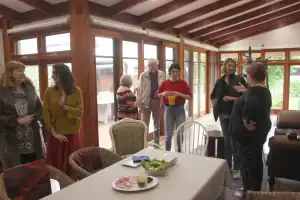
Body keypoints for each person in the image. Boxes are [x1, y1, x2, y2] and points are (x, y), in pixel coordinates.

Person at [230, 62, 272, 198]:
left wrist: (248, 122)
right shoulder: (263, 90)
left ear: (252, 76)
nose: (246, 77)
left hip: (246, 138)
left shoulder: (254, 93)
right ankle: (253, 191)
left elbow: (250, 116)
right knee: (254, 164)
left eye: (247, 75)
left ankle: (249, 193)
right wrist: (245, 91)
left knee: (247, 166)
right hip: (255, 137)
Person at [0, 61, 44, 167]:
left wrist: (33, 118)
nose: (22, 73)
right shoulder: (2, 91)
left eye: (23, 71)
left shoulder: (29, 87)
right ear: (10, 73)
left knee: (35, 170)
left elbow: (40, 108)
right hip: (12, 140)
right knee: (17, 173)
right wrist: (16, 121)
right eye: (19, 71)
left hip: (33, 137)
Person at [43, 63, 83, 177]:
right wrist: (54, 133)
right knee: (56, 168)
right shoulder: (49, 92)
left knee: (73, 166)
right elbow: (46, 114)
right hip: (56, 136)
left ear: (63, 74)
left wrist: (65, 107)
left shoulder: (76, 91)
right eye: (52, 73)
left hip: (72, 134)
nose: (52, 76)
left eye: (55, 73)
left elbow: (80, 112)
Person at [210, 58, 247, 174]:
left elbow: (246, 96)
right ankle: (228, 166)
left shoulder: (239, 79)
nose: (231, 68)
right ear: (225, 66)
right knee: (227, 140)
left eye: (233, 66)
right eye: (229, 65)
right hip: (223, 114)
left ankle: (237, 167)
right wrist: (215, 104)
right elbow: (213, 96)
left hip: (235, 114)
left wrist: (231, 98)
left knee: (234, 140)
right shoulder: (219, 80)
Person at [156, 63, 192, 152]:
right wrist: (163, 94)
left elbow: (190, 97)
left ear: (179, 72)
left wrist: (179, 94)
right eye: (173, 71)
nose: (175, 73)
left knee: (180, 133)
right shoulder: (165, 83)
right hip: (168, 110)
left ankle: (180, 151)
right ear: (170, 72)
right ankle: (167, 152)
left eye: (176, 71)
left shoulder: (183, 83)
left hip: (180, 109)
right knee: (168, 135)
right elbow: (156, 95)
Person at [136, 59, 165, 148]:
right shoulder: (143, 75)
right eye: (149, 66)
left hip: (157, 101)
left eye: (152, 65)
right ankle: (144, 144)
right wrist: (139, 105)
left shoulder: (161, 74)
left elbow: (164, 87)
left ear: (156, 65)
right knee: (145, 124)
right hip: (145, 101)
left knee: (157, 123)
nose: (150, 68)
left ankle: (156, 143)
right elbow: (139, 90)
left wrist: (163, 102)